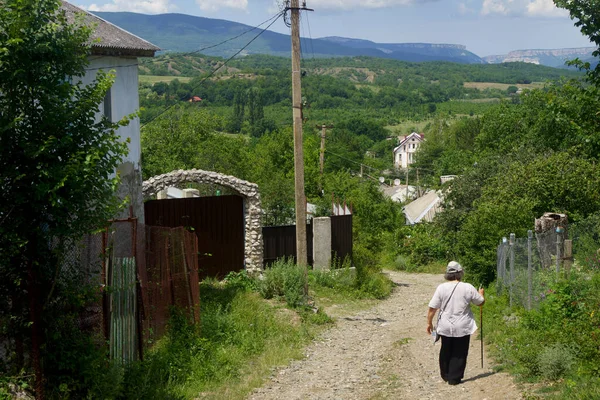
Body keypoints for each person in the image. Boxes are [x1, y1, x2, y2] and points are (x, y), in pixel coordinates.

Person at [426, 261, 485, 385]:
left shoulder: (441, 288)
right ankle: (454, 378)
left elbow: (433, 307)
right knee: (460, 351)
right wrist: (481, 294)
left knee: (446, 349)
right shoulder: (468, 287)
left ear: (448, 274)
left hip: (445, 325)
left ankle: (445, 374)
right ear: (460, 273)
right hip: (462, 325)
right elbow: (480, 302)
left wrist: (429, 323)